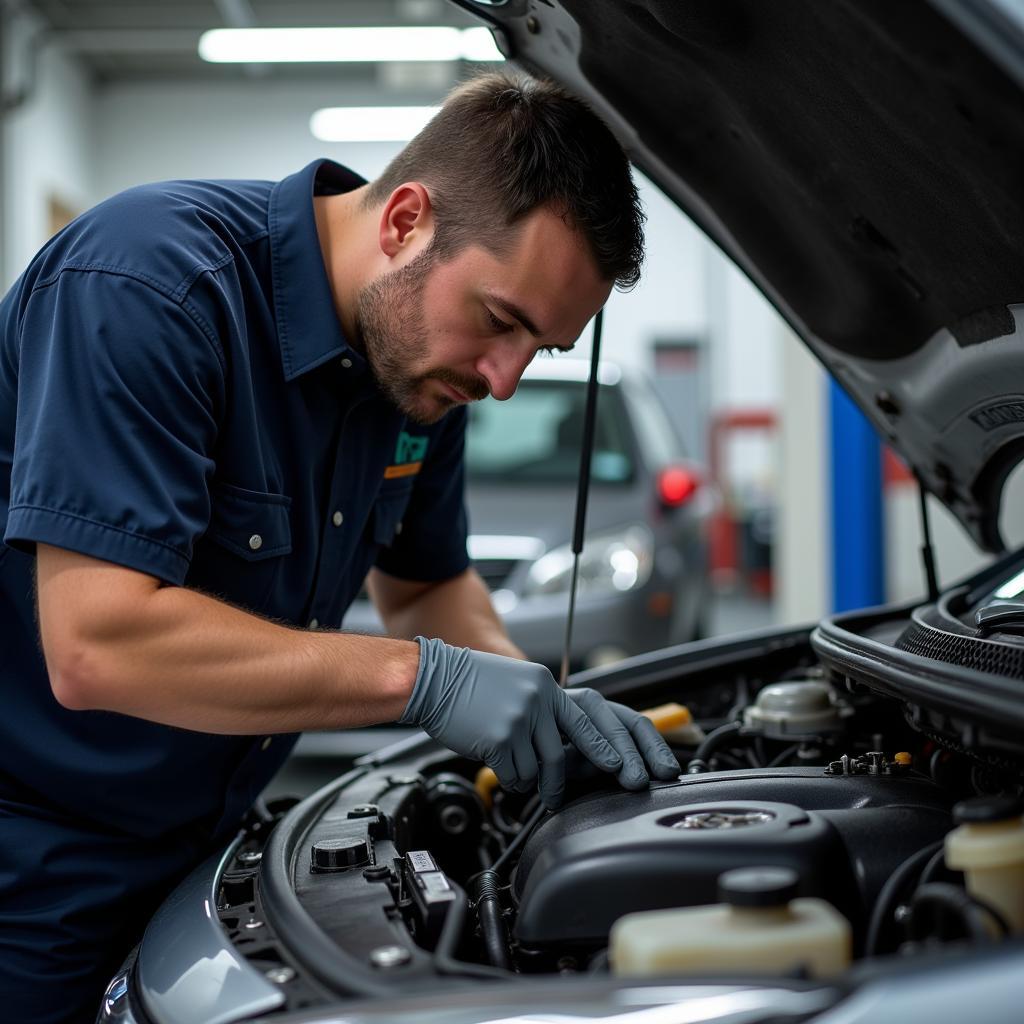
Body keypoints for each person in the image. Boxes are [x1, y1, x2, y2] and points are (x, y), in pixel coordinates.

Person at [0, 72, 677, 1019]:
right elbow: (98, 644)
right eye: (502, 322)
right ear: (405, 220)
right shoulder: (150, 287)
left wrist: (542, 716)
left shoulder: (415, 370)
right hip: (33, 871)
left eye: (542, 351)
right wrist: (427, 682)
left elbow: (430, 586)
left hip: (204, 858)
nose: (506, 379)